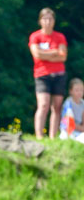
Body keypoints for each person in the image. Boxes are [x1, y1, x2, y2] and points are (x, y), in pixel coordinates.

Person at [29, 8, 67, 139]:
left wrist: (45, 55)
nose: (48, 22)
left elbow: (63, 56)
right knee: (43, 104)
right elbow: (36, 54)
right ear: (40, 21)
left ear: (54, 21)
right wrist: (54, 52)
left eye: (50, 19)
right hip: (42, 74)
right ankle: (39, 135)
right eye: (45, 19)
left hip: (59, 74)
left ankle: (52, 136)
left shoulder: (60, 37)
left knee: (57, 106)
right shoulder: (35, 36)